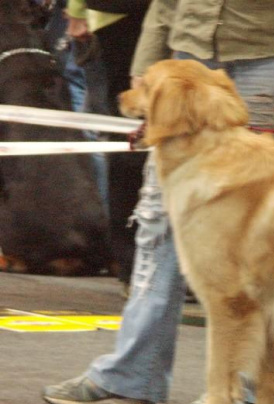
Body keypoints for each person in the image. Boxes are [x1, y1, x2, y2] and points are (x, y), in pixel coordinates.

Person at [42, 0, 274, 404]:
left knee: (257, 245)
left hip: (271, 63)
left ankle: (240, 388)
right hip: (187, 60)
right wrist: (147, 64)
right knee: (157, 221)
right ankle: (131, 376)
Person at [66, 0, 151, 289]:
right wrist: (77, 10)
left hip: (140, 20)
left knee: (125, 144)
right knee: (126, 144)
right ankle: (129, 262)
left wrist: (77, 11)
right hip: (123, 16)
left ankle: (131, 262)